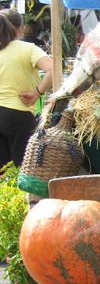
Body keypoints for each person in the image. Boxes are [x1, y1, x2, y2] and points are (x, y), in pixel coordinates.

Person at [0, 9, 53, 168]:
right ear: (20, 28)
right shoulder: (27, 48)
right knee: (24, 167)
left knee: (2, 170)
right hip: (19, 115)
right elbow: (53, 69)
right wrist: (37, 93)